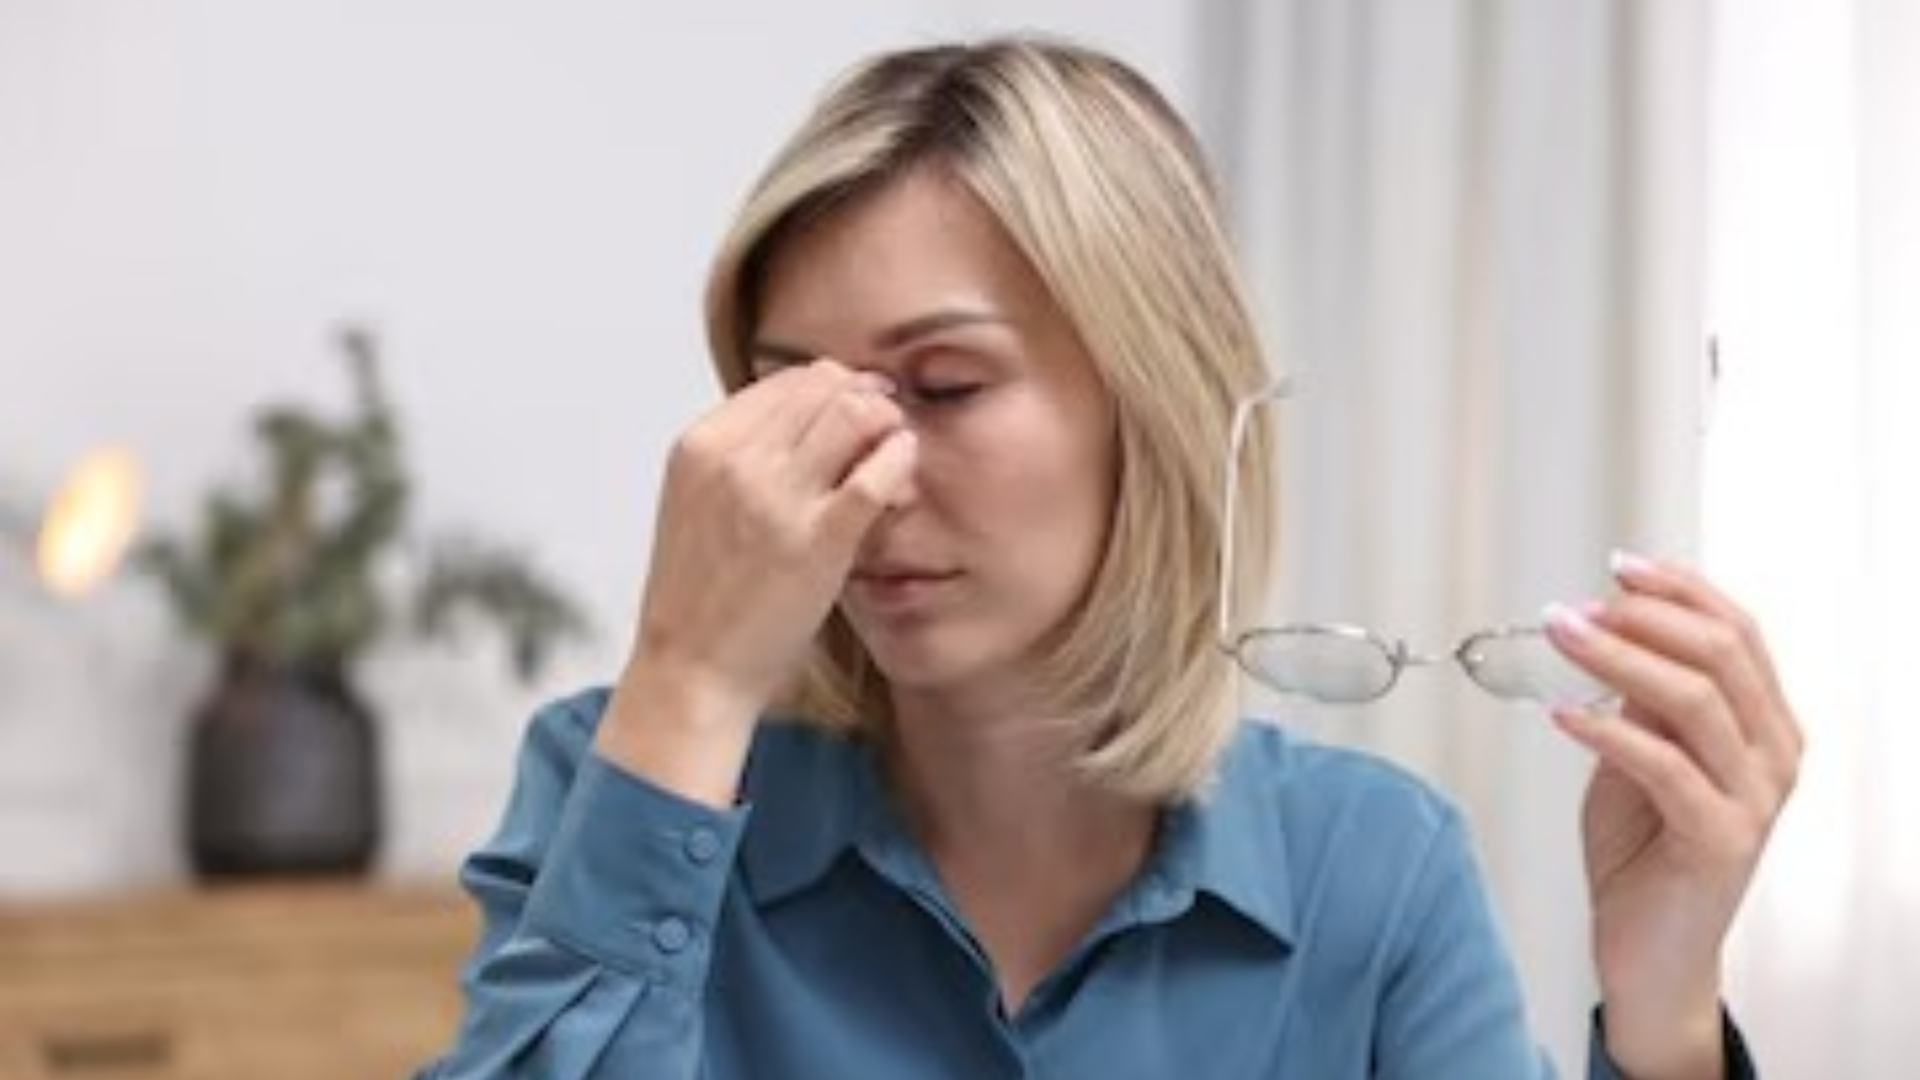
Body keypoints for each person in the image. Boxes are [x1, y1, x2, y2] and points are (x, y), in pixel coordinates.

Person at [416, 34, 1799, 1079]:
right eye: (794, 401)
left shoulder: (1371, 870)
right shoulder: (618, 786)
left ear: (1158, 402)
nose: (861, 475)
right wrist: (689, 678)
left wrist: (1666, 1013)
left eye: (944, 386)